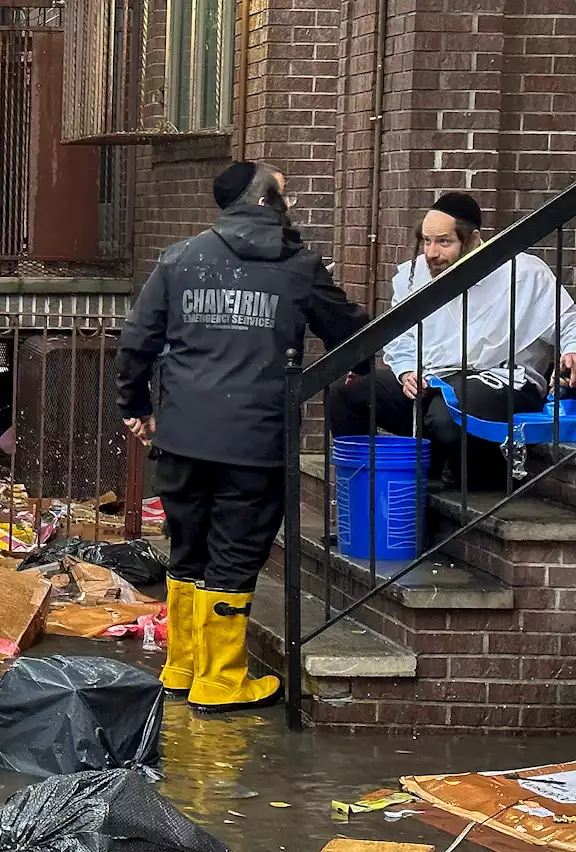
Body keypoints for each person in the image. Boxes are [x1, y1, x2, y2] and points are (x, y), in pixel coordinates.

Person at [116, 162, 370, 714]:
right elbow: (353, 333)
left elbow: (136, 341)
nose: (293, 202)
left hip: (182, 436)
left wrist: (134, 408)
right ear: (265, 200)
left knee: (187, 550)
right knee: (235, 554)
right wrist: (356, 369)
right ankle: (222, 681)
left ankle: (182, 667)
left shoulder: (180, 259)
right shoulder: (299, 266)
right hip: (255, 441)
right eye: (284, 193)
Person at [329, 192, 576, 490]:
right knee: (345, 395)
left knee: (446, 413)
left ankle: (479, 478)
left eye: (444, 242)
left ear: (473, 239)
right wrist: (407, 371)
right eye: (427, 241)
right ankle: (366, 489)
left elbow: (567, 321)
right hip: (431, 379)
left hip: (504, 380)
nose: (432, 252)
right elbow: (400, 335)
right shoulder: (416, 273)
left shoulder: (523, 272)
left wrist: (572, 350)